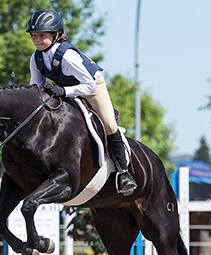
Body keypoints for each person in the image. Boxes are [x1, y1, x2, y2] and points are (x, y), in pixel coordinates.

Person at [26, 9, 137, 196]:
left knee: (109, 124)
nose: (37, 40)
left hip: (92, 87)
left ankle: (124, 172)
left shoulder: (68, 56)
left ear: (56, 35)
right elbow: (35, 87)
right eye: (34, 35)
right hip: (67, 90)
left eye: (42, 35)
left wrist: (64, 91)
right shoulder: (36, 58)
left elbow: (90, 85)